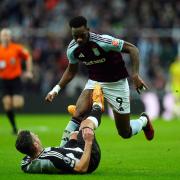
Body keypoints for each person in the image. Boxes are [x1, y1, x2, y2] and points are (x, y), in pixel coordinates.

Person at [45, 16, 154, 146]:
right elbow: (71, 71)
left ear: (88, 30)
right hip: (95, 83)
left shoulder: (103, 41)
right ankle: (62, 152)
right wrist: (55, 89)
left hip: (116, 84)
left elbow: (133, 49)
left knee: (125, 132)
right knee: (78, 114)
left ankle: (143, 121)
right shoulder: (73, 49)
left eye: (82, 35)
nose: (79, 39)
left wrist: (135, 75)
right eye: (75, 36)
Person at [15, 84, 103, 174]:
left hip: (74, 149)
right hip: (89, 158)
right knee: (85, 126)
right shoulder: (53, 157)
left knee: (74, 129)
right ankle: (98, 106)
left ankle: (80, 117)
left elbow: (63, 153)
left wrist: (72, 141)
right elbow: (81, 168)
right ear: (35, 145)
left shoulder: (26, 163)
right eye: (35, 136)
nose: (37, 135)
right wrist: (88, 142)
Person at [0, 28, 33, 134]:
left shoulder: (17, 48)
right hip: (4, 80)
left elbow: (28, 57)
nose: (5, 37)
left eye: (6, 35)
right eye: (3, 35)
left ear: (10, 37)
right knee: (7, 105)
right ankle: (14, 127)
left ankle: (18, 102)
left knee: (17, 104)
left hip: (15, 79)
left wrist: (28, 71)